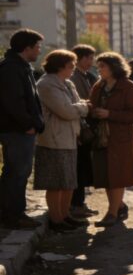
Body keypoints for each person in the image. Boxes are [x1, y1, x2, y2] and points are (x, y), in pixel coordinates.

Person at [34, 50, 91, 232]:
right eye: (70, 66)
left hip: (69, 137)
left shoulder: (67, 83)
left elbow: (76, 104)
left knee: (68, 182)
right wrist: (83, 108)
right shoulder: (47, 84)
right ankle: (56, 219)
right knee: (56, 182)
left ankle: (65, 215)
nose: (73, 69)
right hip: (54, 139)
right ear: (59, 66)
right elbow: (66, 110)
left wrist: (80, 107)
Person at [90, 52, 133, 227]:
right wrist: (91, 111)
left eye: (102, 66)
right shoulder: (99, 86)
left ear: (114, 67)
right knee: (106, 175)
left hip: (121, 138)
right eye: (99, 66)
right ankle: (119, 206)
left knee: (118, 175)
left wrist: (110, 114)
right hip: (101, 137)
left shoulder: (128, 86)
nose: (99, 70)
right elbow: (92, 105)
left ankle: (112, 213)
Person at [0, 29, 45, 229]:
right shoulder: (11, 68)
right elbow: (13, 102)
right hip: (16, 130)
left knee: (18, 173)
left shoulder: (21, 66)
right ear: (27, 48)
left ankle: (13, 213)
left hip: (20, 129)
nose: (39, 51)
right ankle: (13, 216)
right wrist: (27, 125)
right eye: (37, 47)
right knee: (17, 173)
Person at [69, 44, 99, 219]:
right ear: (79, 58)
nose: (91, 61)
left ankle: (80, 202)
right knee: (78, 167)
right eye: (89, 58)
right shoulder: (73, 77)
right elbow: (79, 102)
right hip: (79, 127)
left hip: (88, 126)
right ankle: (75, 204)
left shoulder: (88, 75)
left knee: (84, 167)